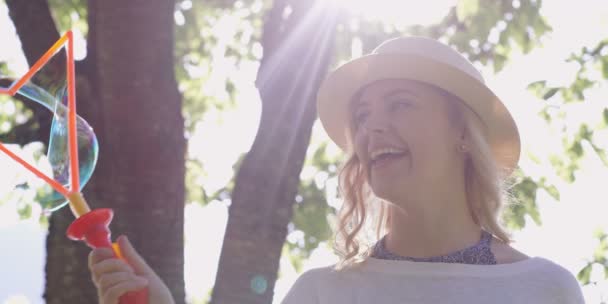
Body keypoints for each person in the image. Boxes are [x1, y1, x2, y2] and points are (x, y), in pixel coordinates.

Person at [88, 37, 586, 304]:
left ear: (463, 133)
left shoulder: (546, 290)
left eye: (401, 105)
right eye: (364, 115)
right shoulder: (321, 293)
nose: (373, 128)